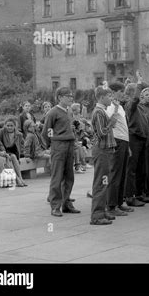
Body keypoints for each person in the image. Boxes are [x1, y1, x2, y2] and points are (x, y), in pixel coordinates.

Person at [42, 87, 81, 217]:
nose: (71, 98)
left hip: (70, 145)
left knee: (69, 176)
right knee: (57, 176)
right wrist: (52, 145)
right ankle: (55, 206)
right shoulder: (53, 112)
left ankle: (66, 203)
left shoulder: (68, 111)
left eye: (71, 95)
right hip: (59, 146)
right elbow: (46, 131)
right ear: (59, 97)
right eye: (68, 95)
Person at [90, 86, 118, 225]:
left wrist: (115, 112)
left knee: (104, 181)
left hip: (105, 150)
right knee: (101, 182)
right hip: (101, 150)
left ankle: (102, 211)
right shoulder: (99, 112)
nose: (111, 99)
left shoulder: (101, 111)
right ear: (101, 97)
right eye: (109, 96)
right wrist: (111, 123)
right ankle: (97, 215)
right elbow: (101, 133)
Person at [106, 81, 134, 217]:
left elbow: (124, 126)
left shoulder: (120, 107)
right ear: (113, 93)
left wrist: (127, 145)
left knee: (122, 174)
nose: (123, 94)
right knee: (115, 174)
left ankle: (119, 202)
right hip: (116, 141)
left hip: (123, 141)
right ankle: (111, 206)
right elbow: (110, 124)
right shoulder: (110, 106)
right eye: (121, 92)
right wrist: (116, 109)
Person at [124, 73, 149, 207]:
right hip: (134, 138)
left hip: (142, 139)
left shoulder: (139, 106)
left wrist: (142, 84)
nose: (140, 95)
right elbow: (134, 100)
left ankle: (139, 194)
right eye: (137, 92)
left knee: (141, 168)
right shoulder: (130, 105)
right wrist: (139, 85)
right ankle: (129, 196)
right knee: (132, 169)